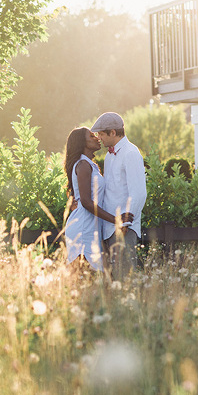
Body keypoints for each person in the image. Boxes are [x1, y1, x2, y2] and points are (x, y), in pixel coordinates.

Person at [64, 127, 133, 273]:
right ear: (83, 143)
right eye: (92, 136)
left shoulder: (91, 165)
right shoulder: (83, 165)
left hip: (91, 228)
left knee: (92, 281)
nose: (97, 138)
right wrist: (116, 220)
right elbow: (86, 202)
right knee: (83, 280)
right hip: (82, 229)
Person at [90, 112, 147, 281]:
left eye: (101, 133)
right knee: (112, 280)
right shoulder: (109, 156)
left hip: (123, 228)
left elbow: (138, 192)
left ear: (113, 133)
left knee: (124, 279)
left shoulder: (131, 153)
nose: (99, 137)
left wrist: (126, 222)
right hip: (107, 228)